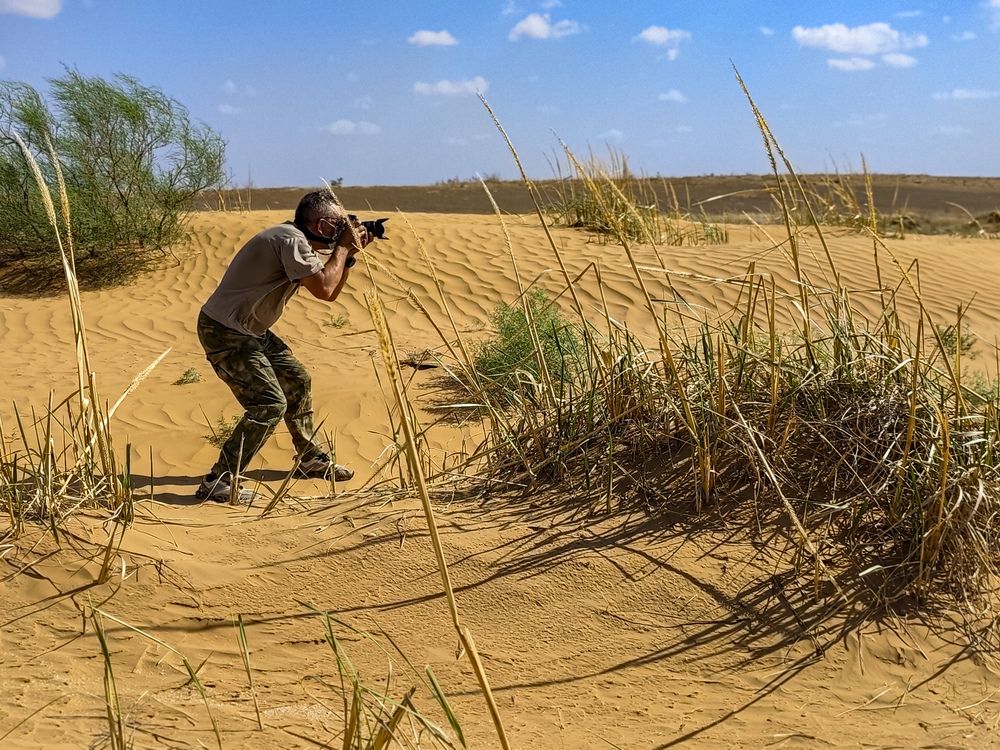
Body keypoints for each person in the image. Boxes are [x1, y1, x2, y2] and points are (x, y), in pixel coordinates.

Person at [194, 189, 371, 503]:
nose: (343, 229)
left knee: (297, 379)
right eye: (338, 224)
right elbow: (324, 288)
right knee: (268, 404)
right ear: (320, 225)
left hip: (251, 330)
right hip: (225, 331)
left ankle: (309, 458)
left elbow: (330, 292)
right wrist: (343, 248)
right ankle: (218, 481)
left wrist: (348, 255)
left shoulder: (297, 241)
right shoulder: (290, 240)